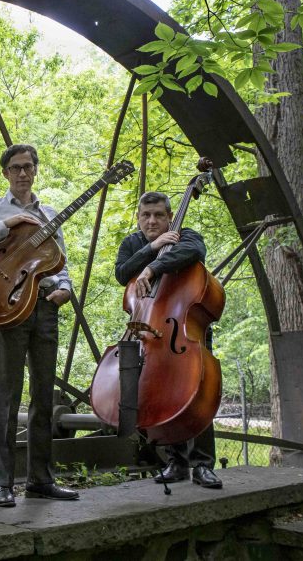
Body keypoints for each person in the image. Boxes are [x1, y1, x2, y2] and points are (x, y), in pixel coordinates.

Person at [0, 144, 79, 507]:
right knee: (6, 396)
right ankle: (1, 482)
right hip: (10, 306)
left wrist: (66, 289)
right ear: (6, 173)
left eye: (27, 167)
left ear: (36, 170)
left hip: (44, 307)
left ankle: (41, 479)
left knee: (44, 397)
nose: (22, 173)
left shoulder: (50, 214)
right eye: (15, 168)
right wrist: (4, 225)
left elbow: (60, 264)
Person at [113, 191, 222, 489]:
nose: (152, 220)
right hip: (150, 332)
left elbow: (194, 252)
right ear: (138, 218)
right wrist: (151, 248)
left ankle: (203, 464)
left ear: (170, 217)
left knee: (197, 393)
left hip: (185, 329)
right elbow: (122, 274)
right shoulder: (133, 243)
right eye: (146, 216)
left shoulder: (185, 235)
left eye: (159, 215)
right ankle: (176, 461)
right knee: (161, 397)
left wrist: (152, 266)